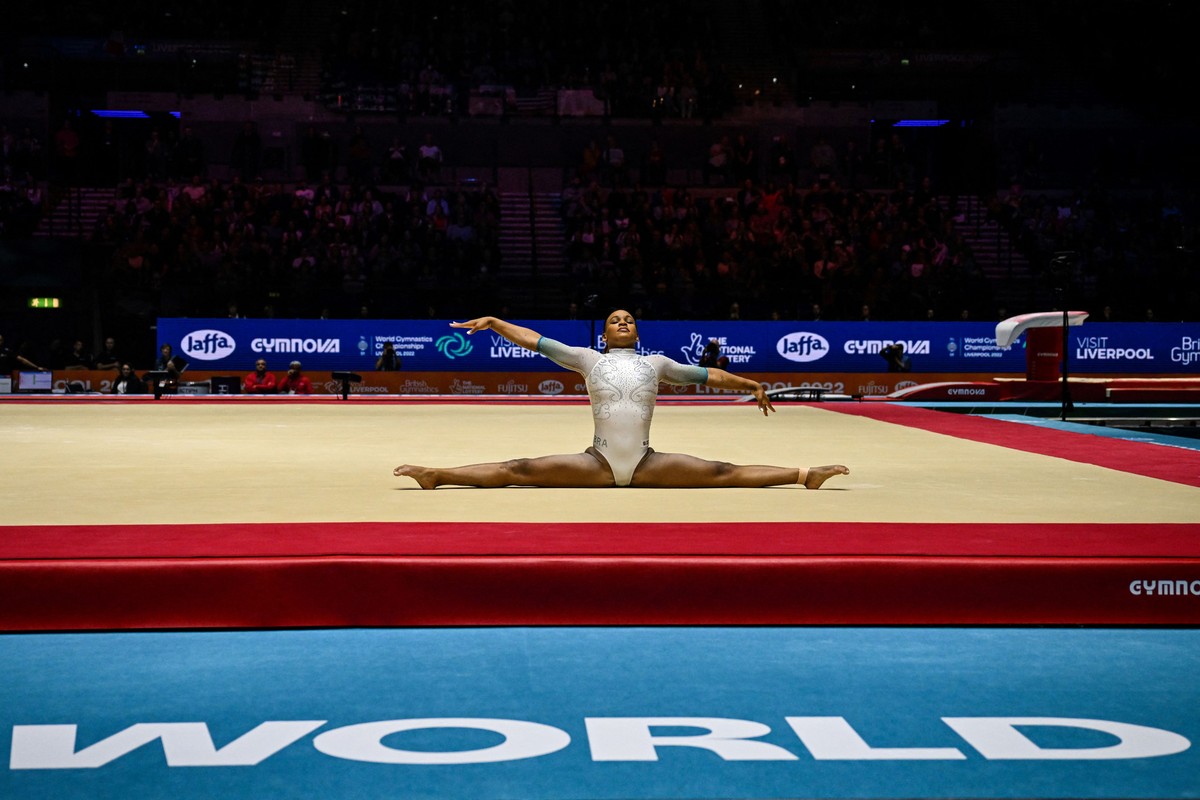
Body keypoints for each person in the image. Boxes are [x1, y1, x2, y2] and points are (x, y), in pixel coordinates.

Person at [394, 311, 849, 489]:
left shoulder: (657, 364)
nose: (623, 321)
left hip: (649, 462)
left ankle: (806, 474)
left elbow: (706, 375)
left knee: (722, 472)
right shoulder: (587, 359)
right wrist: (496, 323)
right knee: (520, 469)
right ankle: (437, 473)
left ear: (638, 331)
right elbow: (535, 340)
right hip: (597, 462)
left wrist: (749, 385)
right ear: (605, 334)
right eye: (615, 319)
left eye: (629, 318)